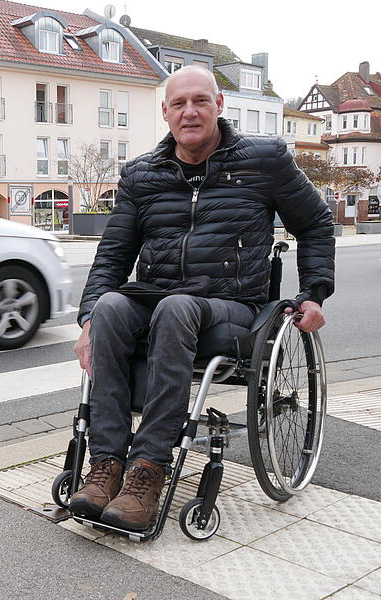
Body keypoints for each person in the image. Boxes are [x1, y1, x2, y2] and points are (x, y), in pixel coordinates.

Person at [68, 66, 335, 531]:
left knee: (177, 308)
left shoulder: (264, 160)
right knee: (111, 306)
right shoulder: (142, 175)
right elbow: (112, 256)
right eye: (179, 104)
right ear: (166, 112)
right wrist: (88, 319)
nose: (189, 112)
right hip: (156, 296)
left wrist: (313, 293)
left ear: (219, 106)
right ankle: (106, 464)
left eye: (200, 101)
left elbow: (315, 223)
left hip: (232, 306)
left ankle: (148, 469)